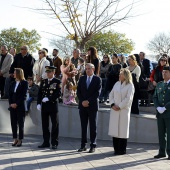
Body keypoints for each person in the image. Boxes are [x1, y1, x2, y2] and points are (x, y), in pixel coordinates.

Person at [108, 68, 134, 155]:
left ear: (126, 75)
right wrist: (112, 104)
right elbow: (111, 94)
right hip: (114, 110)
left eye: (121, 74)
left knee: (122, 130)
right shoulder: (116, 84)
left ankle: (122, 149)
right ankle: (115, 148)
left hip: (123, 110)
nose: (120, 75)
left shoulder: (130, 85)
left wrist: (119, 106)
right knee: (115, 129)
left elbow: (128, 98)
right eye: (119, 74)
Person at [77, 63, 102, 153]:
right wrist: (82, 101)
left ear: (93, 69)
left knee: (93, 126)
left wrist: (88, 101)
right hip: (82, 106)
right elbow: (78, 91)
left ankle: (93, 145)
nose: (87, 70)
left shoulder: (97, 79)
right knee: (83, 126)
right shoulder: (82, 78)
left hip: (92, 106)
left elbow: (97, 93)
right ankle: (83, 145)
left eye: (89, 68)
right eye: (86, 69)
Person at [37, 66, 61, 149]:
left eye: (49, 72)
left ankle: (54, 143)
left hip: (53, 105)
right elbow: (40, 93)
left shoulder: (57, 81)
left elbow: (58, 93)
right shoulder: (43, 81)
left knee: (55, 125)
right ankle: (46, 142)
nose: (48, 73)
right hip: (44, 106)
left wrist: (49, 98)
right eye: (47, 72)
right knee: (45, 125)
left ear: (53, 72)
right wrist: (38, 103)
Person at [153, 66, 170, 160]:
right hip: (160, 113)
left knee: (169, 133)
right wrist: (158, 107)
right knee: (161, 133)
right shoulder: (159, 84)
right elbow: (155, 97)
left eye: (166, 72)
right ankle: (161, 151)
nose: (164, 74)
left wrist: (165, 107)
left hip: (168, 113)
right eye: (163, 72)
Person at [8, 68, 28, 147]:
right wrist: (11, 103)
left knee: (20, 123)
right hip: (12, 106)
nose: (13, 74)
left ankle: (20, 139)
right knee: (13, 123)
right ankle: (15, 138)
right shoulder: (12, 83)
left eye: (15, 73)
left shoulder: (24, 83)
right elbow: (9, 94)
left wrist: (17, 103)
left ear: (19, 74)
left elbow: (23, 95)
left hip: (20, 106)